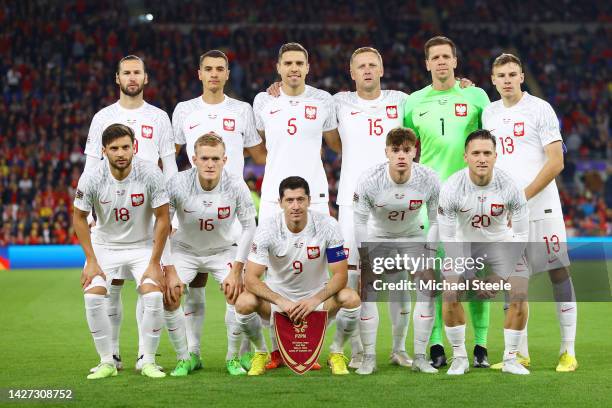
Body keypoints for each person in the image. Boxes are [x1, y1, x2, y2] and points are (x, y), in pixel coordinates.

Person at [171, 49, 266, 370]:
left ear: (227, 74)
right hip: (191, 210)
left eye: (220, 69)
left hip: (231, 215)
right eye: (208, 69)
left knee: (236, 291)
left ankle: (235, 356)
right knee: (191, 289)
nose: (214, 74)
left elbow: (262, 153)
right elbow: (169, 158)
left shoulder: (242, 109)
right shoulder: (184, 110)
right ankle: (192, 355)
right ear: (199, 73)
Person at [483, 53, 578, 372]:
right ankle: (517, 353)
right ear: (493, 80)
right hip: (508, 214)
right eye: (501, 75)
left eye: (513, 74)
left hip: (543, 206)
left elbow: (556, 161)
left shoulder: (540, 109)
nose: (507, 79)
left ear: (522, 76)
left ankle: (568, 351)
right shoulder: (489, 114)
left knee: (558, 271)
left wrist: (520, 197)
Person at [84, 55, 177, 372]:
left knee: (150, 288)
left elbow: (171, 166)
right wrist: (89, 212)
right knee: (111, 289)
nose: (132, 77)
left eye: (138, 72)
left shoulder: (160, 117)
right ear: (117, 78)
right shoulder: (102, 118)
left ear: (146, 78)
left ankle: (144, 356)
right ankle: (111, 357)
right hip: (111, 211)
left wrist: (172, 214)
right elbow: (90, 166)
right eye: (127, 72)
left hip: (149, 216)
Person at [403, 36, 491, 368]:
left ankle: (480, 346)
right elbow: (410, 152)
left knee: (477, 278)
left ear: (455, 61)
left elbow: (489, 145)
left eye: (446, 57)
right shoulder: (413, 103)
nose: (441, 62)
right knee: (437, 278)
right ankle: (437, 344)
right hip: (433, 205)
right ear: (427, 64)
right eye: (434, 57)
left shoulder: (476, 96)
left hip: (474, 199)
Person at [234, 176, 361, 375]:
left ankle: (336, 352)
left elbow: (340, 275)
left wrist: (314, 300)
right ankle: (261, 352)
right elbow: (250, 278)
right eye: (290, 200)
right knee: (243, 302)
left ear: (309, 201)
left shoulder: (328, 225)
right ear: (280, 203)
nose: (295, 206)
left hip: (316, 304)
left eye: (300, 199)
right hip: (277, 304)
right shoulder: (267, 228)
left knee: (351, 298)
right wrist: (281, 301)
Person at [73, 124, 170, 379]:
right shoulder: (92, 177)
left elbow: (163, 218)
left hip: (142, 245)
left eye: (126, 147)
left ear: (134, 147)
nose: (121, 153)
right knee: (93, 296)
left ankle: (147, 361)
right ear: (104, 150)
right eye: (114, 148)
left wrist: (155, 262)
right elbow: (79, 218)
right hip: (105, 245)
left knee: (153, 296)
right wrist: (91, 260)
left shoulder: (150, 172)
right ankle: (107, 362)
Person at [162, 134, 257, 376]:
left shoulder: (236, 185)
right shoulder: (177, 183)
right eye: (204, 158)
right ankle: (187, 357)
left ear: (225, 159)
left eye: (216, 158)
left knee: (237, 295)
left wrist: (237, 270)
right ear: (194, 159)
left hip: (222, 250)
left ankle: (232, 358)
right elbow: (162, 224)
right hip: (185, 250)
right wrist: (169, 269)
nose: (210, 164)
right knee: (170, 295)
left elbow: (249, 227)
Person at [437, 130, 530, 375]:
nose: (482, 158)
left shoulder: (510, 186)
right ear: (465, 156)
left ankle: (510, 359)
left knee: (519, 292)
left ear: (495, 156)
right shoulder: (451, 187)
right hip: (463, 245)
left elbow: (520, 235)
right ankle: (459, 357)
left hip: (502, 244)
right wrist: (471, 279)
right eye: (476, 153)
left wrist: (500, 278)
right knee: (449, 293)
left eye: (487, 153)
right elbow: (447, 237)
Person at [352, 127, 440, 375]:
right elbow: (358, 221)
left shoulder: (429, 178)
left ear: (415, 152)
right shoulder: (370, 179)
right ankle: (369, 357)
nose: (401, 155)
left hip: (412, 236)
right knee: (367, 289)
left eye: (406, 150)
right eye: (395, 150)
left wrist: (430, 257)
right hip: (379, 237)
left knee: (428, 287)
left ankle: (420, 357)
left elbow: (435, 220)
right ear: (387, 153)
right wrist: (365, 258)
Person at [252, 42, 339, 224]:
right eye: (288, 63)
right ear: (278, 67)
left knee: (318, 251)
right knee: (270, 252)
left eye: (299, 64)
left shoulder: (324, 100)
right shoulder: (263, 100)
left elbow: (334, 143)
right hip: (273, 194)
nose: (294, 68)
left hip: (314, 193)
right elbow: (259, 144)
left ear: (307, 68)